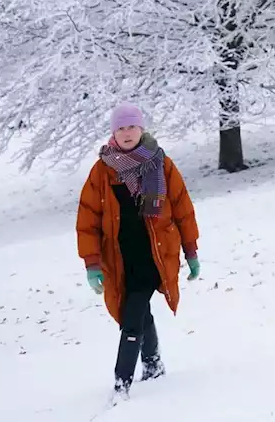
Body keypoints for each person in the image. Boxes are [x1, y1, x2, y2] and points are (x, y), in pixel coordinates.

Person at [76, 103, 201, 400]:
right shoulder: (102, 171)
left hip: (154, 256)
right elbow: (88, 219)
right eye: (121, 128)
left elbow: (183, 209)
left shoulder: (161, 164)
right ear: (113, 133)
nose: (127, 132)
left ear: (142, 129)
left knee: (131, 316)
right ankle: (153, 364)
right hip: (119, 259)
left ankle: (122, 384)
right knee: (137, 312)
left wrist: (191, 251)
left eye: (132, 126)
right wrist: (92, 264)